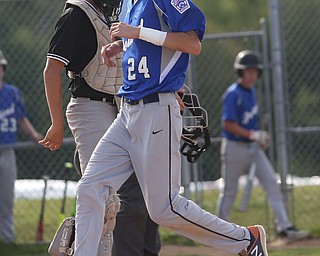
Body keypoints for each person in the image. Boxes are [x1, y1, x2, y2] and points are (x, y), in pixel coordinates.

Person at [74, 1, 269, 256]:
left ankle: (246, 240)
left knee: (164, 208)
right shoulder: (130, 4)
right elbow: (146, 40)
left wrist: (137, 33)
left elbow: (192, 43)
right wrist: (121, 45)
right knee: (89, 188)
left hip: (156, 110)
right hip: (127, 112)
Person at [39, 0, 160, 255]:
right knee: (102, 196)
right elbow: (52, 70)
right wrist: (57, 123)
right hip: (90, 106)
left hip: (119, 105)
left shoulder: (112, 15)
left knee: (120, 195)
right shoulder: (77, 15)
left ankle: (80, 244)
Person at [216, 50, 309, 240]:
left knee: (271, 184)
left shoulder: (251, 92)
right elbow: (228, 124)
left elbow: (249, 122)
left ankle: (284, 227)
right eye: (248, 71)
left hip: (253, 148)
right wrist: (252, 134)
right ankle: (218, 231)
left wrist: (259, 137)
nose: (252, 75)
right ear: (240, 72)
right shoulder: (233, 94)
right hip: (234, 148)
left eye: (254, 71)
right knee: (229, 192)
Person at [0, 49, 42, 243]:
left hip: (8, 150)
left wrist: (33, 135)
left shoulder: (12, 93)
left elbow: (21, 119)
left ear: (4, 70)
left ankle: (7, 240)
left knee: (6, 198)